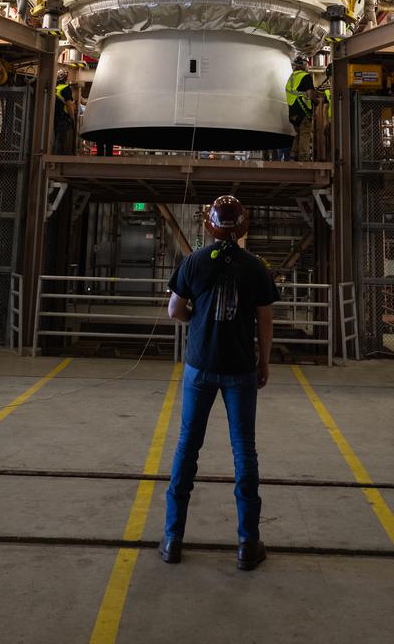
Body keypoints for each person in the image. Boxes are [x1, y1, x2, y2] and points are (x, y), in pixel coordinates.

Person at [162, 195, 279, 571]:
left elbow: (174, 310)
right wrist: (264, 360)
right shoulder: (255, 268)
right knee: (244, 450)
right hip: (240, 370)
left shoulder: (194, 262)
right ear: (243, 227)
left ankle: (172, 540)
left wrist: (198, 315)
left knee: (187, 448)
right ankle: (248, 543)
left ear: (208, 226)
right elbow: (265, 321)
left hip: (199, 367)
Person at [285, 55, 315, 161]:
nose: (308, 66)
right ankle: (304, 157)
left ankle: (294, 155)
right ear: (302, 64)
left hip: (292, 111)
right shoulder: (305, 76)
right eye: (307, 63)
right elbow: (310, 93)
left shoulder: (291, 77)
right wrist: (315, 101)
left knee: (298, 133)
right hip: (303, 109)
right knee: (305, 134)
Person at [52, 69, 75, 154]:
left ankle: (52, 159)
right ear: (66, 78)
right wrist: (72, 119)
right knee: (60, 140)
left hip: (53, 117)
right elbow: (69, 105)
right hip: (63, 118)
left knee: (54, 139)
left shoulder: (54, 88)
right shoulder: (66, 88)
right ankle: (56, 160)